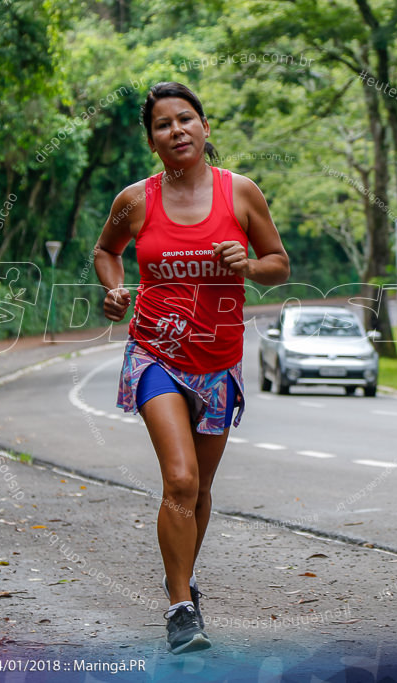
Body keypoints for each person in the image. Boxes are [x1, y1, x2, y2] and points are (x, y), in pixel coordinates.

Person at [93, 82, 290, 654]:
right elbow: (107, 251)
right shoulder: (136, 200)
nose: (176, 130)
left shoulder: (242, 193)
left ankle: (183, 576)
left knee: (200, 488)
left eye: (186, 119)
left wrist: (249, 266)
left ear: (205, 127)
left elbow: (279, 264)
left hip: (218, 361)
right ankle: (181, 609)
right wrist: (114, 289)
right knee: (179, 478)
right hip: (155, 351)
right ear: (152, 141)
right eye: (162, 124)